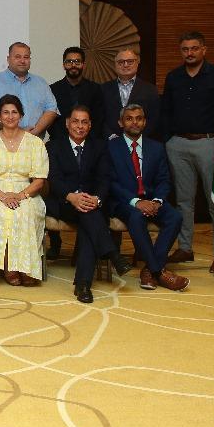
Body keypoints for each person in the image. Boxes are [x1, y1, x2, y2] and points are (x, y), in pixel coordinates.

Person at [161, 31, 214, 270]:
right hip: (178, 144)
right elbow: (166, 111)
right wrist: (169, 140)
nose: (189, 53)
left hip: (208, 143)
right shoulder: (173, 77)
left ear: (204, 49)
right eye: (185, 49)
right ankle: (185, 248)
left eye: (194, 48)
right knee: (184, 201)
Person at [43, 105, 128, 304]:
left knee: (88, 220)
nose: (79, 126)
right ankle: (112, 254)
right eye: (75, 121)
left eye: (84, 122)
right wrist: (71, 196)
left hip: (92, 204)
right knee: (90, 217)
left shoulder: (100, 146)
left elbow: (104, 179)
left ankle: (83, 285)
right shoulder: (53, 146)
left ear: (90, 126)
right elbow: (53, 178)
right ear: (67, 123)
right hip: (65, 203)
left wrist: (96, 199)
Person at [105, 103, 188, 292]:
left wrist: (157, 201)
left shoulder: (156, 147)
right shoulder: (110, 147)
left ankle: (149, 269)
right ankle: (158, 270)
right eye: (129, 118)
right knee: (136, 217)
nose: (134, 122)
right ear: (121, 123)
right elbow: (110, 182)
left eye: (139, 118)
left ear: (144, 122)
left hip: (152, 200)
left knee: (175, 217)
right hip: (123, 201)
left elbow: (164, 179)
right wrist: (136, 202)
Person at [0, 94, 49, 286]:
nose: (10, 116)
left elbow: (39, 180)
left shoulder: (35, 143)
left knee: (25, 212)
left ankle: (27, 267)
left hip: (27, 192)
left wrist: (21, 195)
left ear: (21, 115)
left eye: (14, 112)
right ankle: (9, 265)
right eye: (5, 112)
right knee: (3, 212)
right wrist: (2, 196)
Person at [0, 42, 58, 137]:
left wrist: (33, 133)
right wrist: (18, 133)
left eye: (26, 57)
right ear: (8, 59)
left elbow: (51, 109)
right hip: (2, 142)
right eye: (18, 57)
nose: (22, 61)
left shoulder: (41, 82)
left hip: (34, 140)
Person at [100, 48, 162, 140]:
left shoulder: (150, 89)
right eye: (121, 62)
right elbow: (99, 118)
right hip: (110, 142)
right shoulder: (103, 89)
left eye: (130, 61)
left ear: (137, 63)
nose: (125, 65)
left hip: (141, 142)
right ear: (115, 65)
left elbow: (154, 119)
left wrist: (137, 138)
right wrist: (111, 137)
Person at [47, 46, 103, 143]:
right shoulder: (52, 89)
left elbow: (99, 119)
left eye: (77, 62)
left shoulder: (95, 89)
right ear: (64, 65)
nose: (73, 65)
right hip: (60, 143)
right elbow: (51, 120)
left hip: (90, 143)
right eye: (69, 62)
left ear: (83, 65)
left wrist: (87, 141)